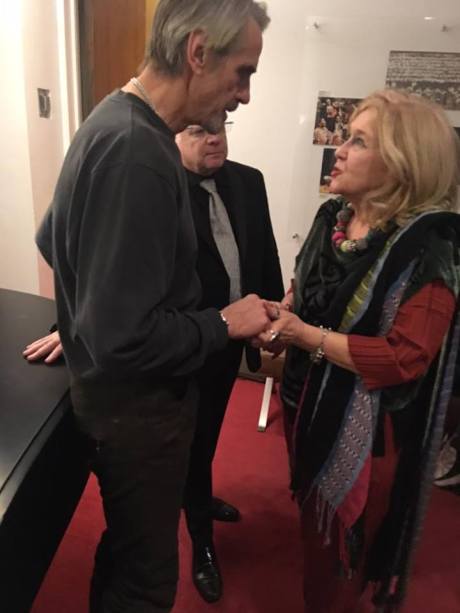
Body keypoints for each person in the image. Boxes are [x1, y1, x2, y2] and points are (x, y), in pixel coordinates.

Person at [30, 2, 272, 612]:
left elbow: (50, 237)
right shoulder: (138, 152)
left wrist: (91, 306)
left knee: (127, 550)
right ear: (198, 53)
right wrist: (223, 321)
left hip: (120, 407)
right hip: (137, 414)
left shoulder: (113, 117)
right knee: (145, 583)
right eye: (242, 72)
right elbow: (123, 339)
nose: (244, 95)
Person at [256, 89, 460, 612]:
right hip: (304, 401)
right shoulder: (333, 217)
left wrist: (305, 336)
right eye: (345, 137)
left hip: (368, 428)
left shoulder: (429, 249)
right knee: (313, 525)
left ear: (402, 163)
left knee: (343, 553)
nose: (339, 150)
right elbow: (305, 287)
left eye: (358, 141)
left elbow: (403, 359)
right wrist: (282, 313)